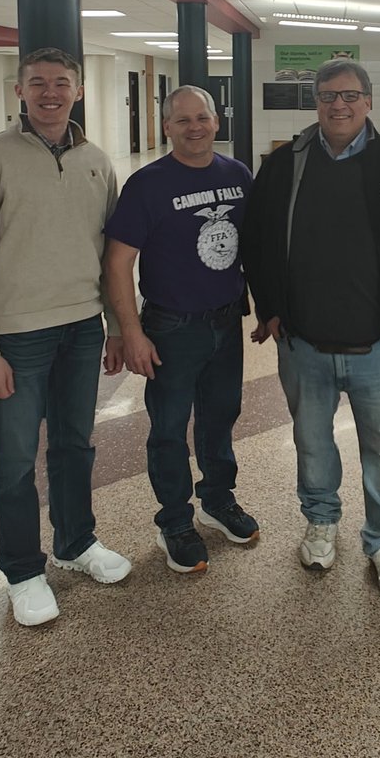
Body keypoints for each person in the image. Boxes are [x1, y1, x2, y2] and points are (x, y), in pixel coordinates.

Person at [243, 59, 380, 596]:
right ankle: (321, 521)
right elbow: (257, 243)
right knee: (312, 444)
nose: (340, 105)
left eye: (350, 95)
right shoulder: (284, 165)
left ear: (369, 101)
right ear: (316, 102)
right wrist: (269, 307)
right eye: (329, 96)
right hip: (304, 344)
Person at [0, 48, 131, 627]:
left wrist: (113, 326)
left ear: (77, 90)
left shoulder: (97, 161)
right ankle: (24, 571)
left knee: (75, 445)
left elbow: (108, 258)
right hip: (18, 337)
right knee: (13, 459)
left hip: (80, 329)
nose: (50, 92)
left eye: (61, 83)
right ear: (19, 90)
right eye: (37, 83)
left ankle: (76, 544)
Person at [104, 85, 259, 575]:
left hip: (225, 318)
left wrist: (267, 306)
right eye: (182, 120)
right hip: (171, 326)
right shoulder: (147, 184)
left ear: (217, 122)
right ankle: (174, 519)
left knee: (220, 416)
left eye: (202, 118)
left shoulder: (238, 176)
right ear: (167, 127)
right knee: (169, 429)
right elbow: (117, 263)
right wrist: (131, 331)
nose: (194, 127)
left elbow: (255, 247)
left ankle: (217, 497)